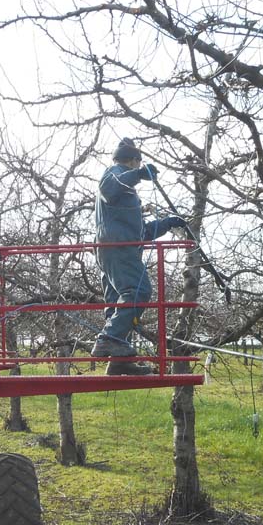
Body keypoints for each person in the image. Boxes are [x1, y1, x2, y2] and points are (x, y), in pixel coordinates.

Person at [92, 137, 187, 375]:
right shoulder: (114, 173)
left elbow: (141, 233)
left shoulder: (126, 196)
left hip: (118, 247)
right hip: (118, 248)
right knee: (138, 291)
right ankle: (109, 338)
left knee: (119, 302)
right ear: (134, 161)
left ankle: (119, 361)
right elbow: (108, 188)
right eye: (138, 164)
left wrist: (167, 223)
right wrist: (139, 175)